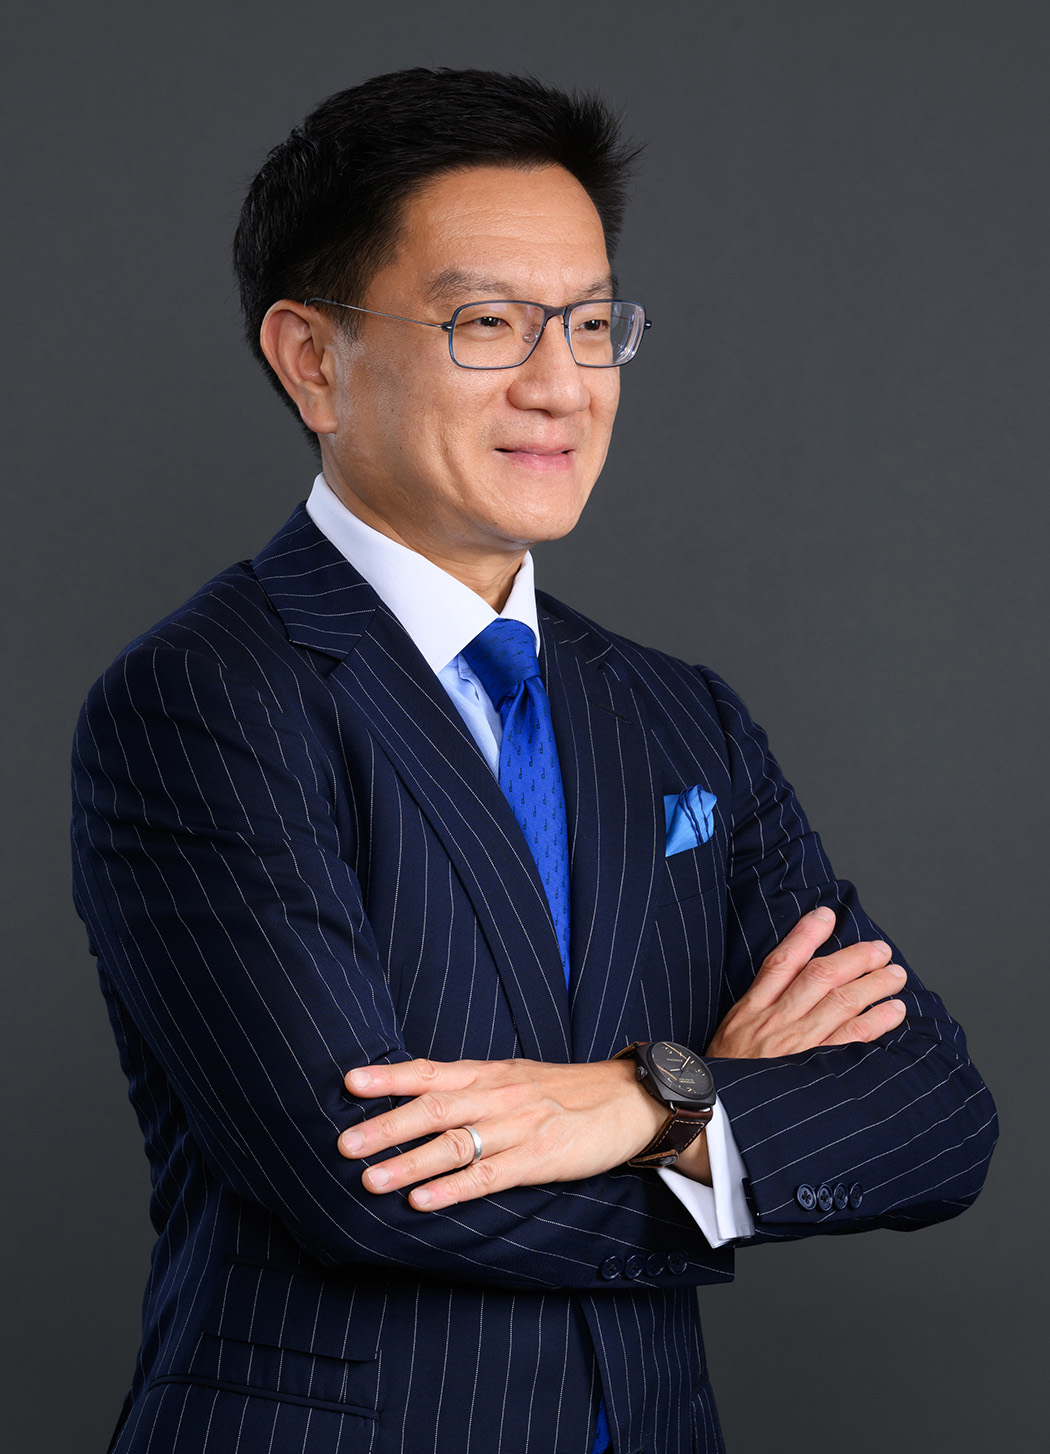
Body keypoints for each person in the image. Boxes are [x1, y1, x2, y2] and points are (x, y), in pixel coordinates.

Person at [71, 68, 997, 1454]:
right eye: (487, 323)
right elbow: (369, 1180)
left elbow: (931, 1117)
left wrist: (635, 1097)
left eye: (589, 322)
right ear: (312, 359)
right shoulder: (204, 698)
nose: (561, 384)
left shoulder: (678, 715)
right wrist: (704, 1108)